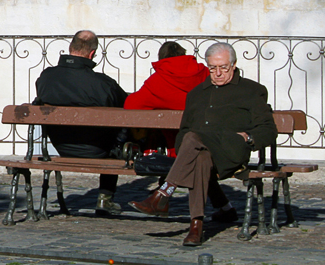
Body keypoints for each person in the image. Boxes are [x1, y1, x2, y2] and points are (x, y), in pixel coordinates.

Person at [130, 42, 277, 247]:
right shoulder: (197, 93)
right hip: (201, 153)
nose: (217, 73)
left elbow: (268, 130)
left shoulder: (252, 91)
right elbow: (184, 131)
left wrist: (248, 138)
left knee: (193, 139)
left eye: (223, 67)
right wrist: (185, 149)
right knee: (197, 153)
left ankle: (163, 194)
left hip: (231, 152)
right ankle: (195, 227)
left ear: (233, 65)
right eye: (212, 68)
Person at [34, 30, 128, 215]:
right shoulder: (103, 83)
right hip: (99, 151)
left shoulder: (47, 77)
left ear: (70, 48)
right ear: (92, 54)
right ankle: (105, 198)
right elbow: (126, 107)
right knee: (121, 135)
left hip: (62, 147)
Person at [125, 41, 209, 155]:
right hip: (209, 145)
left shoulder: (158, 81)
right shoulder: (205, 73)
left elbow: (131, 104)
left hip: (176, 150)